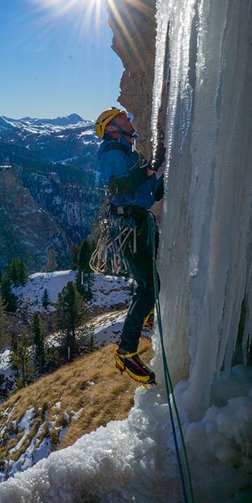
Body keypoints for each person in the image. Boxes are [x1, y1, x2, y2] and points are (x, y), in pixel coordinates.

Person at [94, 106, 165, 384]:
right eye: (121, 117)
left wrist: (157, 172)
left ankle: (146, 316)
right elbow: (119, 187)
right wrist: (150, 170)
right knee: (149, 286)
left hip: (138, 223)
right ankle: (126, 351)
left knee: (151, 280)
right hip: (129, 226)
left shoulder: (129, 152)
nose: (128, 118)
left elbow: (150, 190)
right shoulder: (113, 149)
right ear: (111, 127)